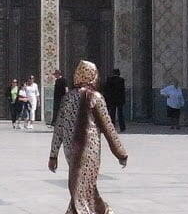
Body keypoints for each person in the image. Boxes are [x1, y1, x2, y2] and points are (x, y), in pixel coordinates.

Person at [48, 60, 128, 214]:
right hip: (89, 150)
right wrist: (120, 152)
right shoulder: (95, 98)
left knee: (83, 186)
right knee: (82, 187)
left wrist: (53, 155)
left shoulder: (67, 98)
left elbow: (58, 128)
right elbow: (108, 127)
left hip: (70, 150)